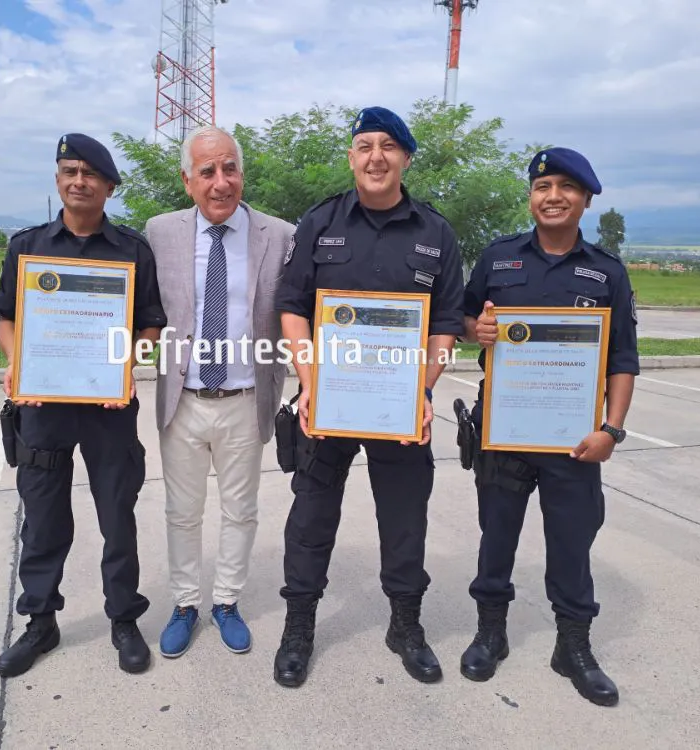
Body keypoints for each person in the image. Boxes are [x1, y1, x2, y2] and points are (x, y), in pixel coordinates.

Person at [272, 106, 465, 687]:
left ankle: (405, 624)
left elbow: (445, 325)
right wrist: (309, 383)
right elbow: (292, 309)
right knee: (310, 517)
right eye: (364, 146)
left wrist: (423, 391)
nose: (375, 156)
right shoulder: (319, 222)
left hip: (400, 407)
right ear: (352, 156)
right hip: (326, 405)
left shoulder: (436, 233)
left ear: (405, 157)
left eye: (388, 146)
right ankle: (299, 626)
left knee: (405, 519)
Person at [458, 147, 639, 707]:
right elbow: (463, 320)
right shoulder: (498, 259)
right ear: (531, 196)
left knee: (571, 542)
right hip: (504, 432)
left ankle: (574, 647)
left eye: (565, 187)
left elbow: (623, 360)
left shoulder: (607, 272)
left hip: (573, 440)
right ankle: (491, 633)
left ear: (585, 198)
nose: (552, 196)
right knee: (497, 535)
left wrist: (612, 430)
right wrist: (477, 330)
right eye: (542, 187)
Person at [0, 133, 167, 677]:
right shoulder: (28, 247)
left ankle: (123, 618)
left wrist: (126, 361)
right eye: (69, 171)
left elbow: (151, 324)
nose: (79, 181)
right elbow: (6, 320)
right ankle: (40, 622)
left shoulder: (133, 251)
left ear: (109, 186)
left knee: (118, 515)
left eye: (91, 174)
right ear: (59, 179)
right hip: (43, 406)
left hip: (108, 409)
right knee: (42, 520)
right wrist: (18, 360)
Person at [144, 125, 294, 658]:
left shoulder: (278, 234)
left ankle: (226, 601)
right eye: (207, 171)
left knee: (240, 511)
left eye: (229, 168)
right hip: (181, 401)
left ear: (242, 173)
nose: (220, 181)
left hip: (245, 399)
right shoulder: (159, 232)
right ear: (188, 180)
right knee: (181, 512)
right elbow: (141, 307)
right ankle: (185, 603)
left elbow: (299, 310)